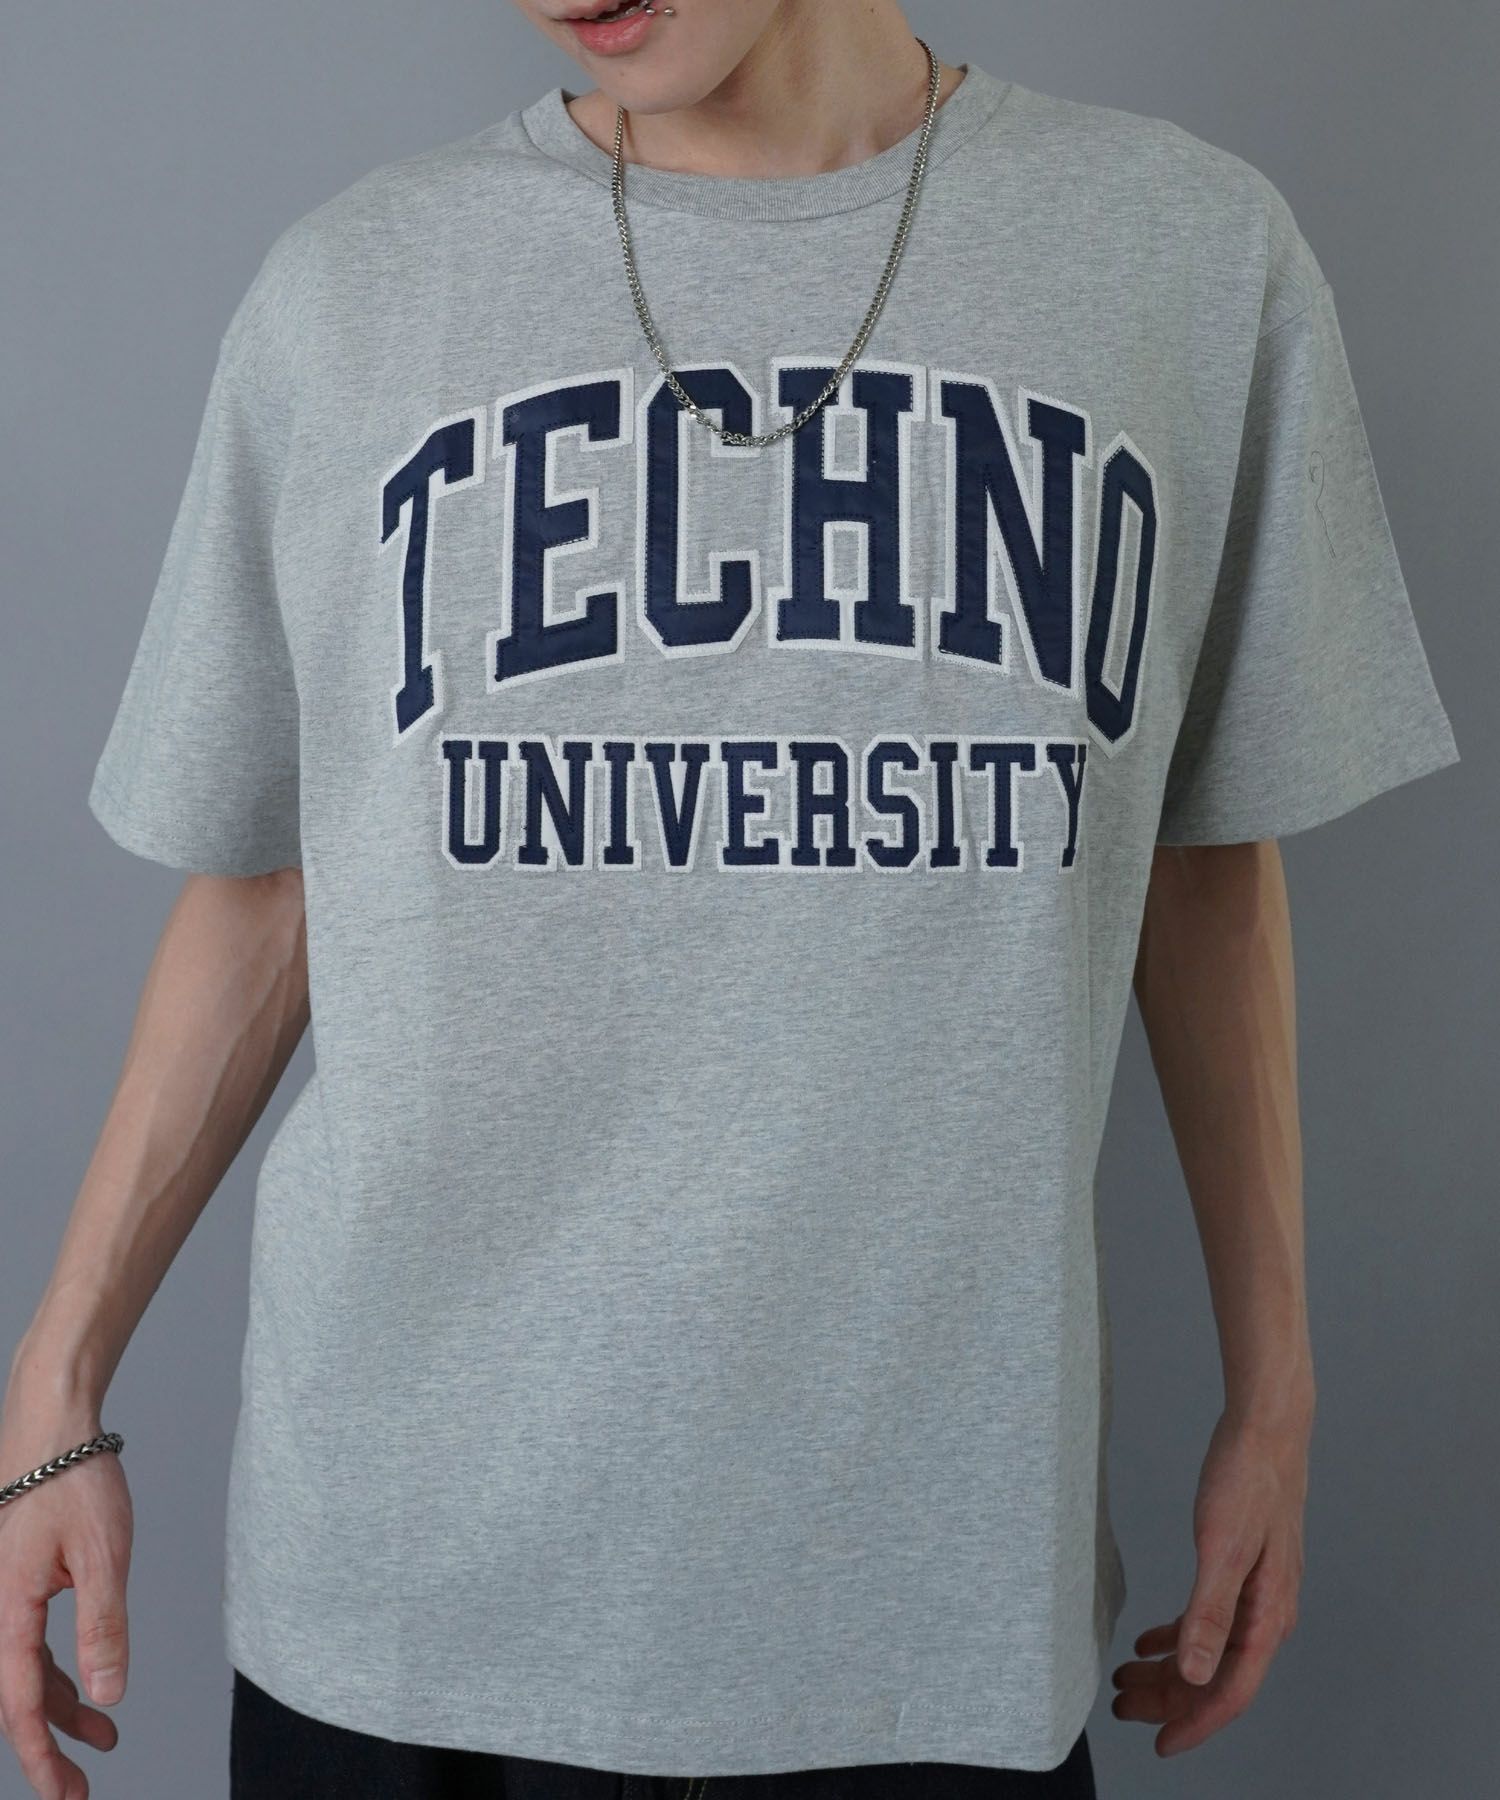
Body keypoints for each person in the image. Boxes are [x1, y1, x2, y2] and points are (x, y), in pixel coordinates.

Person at [0, 1, 1462, 1796]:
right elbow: (281, 877)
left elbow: (1200, 857)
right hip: (404, 1597)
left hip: (919, 1609)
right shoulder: (353, 292)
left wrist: (1275, 1389)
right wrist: (56, 1383)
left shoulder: (1185, 256)